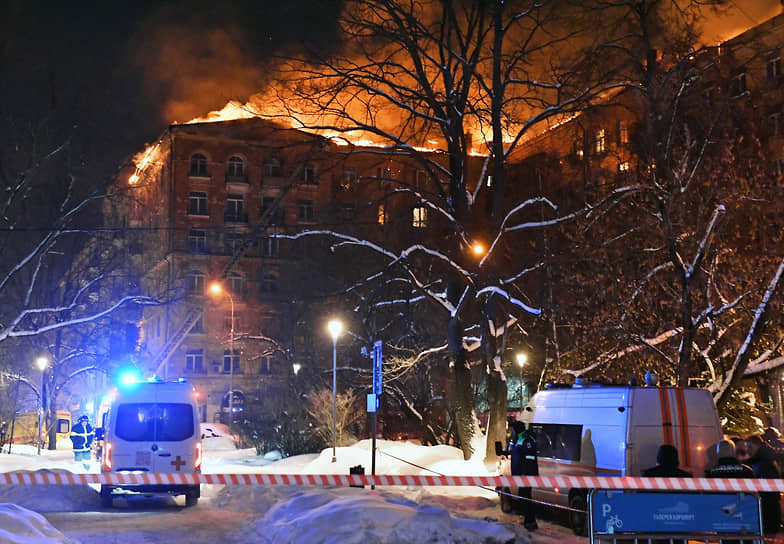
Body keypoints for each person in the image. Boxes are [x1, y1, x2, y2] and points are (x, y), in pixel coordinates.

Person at [745, 435, 781, 535]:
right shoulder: (763, 461)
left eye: (749, 447)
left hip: (767, 512)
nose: (747, 451)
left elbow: (766, 491)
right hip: (769, 511)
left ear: (758, 446)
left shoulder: (764, 464)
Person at [510, 421, 538, 531]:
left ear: (517, 429)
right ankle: (529, 521)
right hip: (522, 476)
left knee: (525, 498)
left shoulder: (527, 440)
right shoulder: (521, 439)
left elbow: (529, 459)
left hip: (526, 476)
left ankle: (530, 522)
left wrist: (524, 474)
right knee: (524, 498)